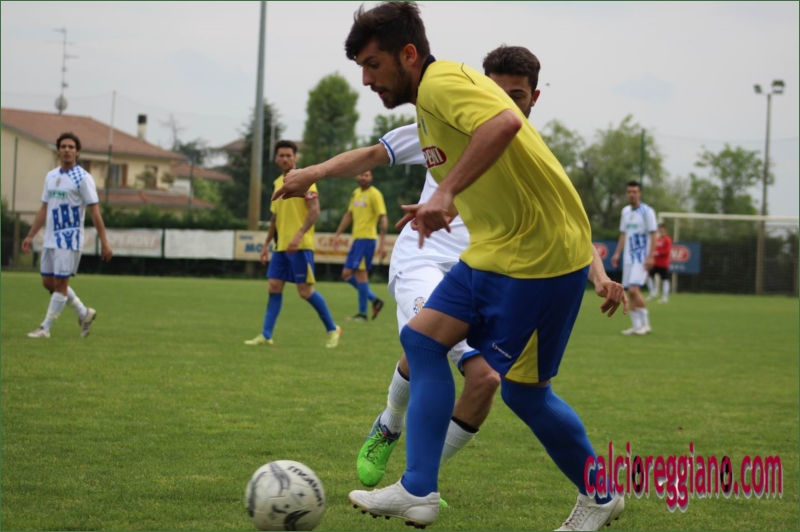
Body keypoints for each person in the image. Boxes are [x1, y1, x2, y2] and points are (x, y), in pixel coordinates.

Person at [276, 5, 627, 529]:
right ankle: (421, 489)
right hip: (504, 250)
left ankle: (596, 495)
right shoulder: (430, 107)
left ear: (408, 54)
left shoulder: (442, 83)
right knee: (428, 344)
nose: (366, 80)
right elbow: (496, 166)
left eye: (372, 65)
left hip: (535, 257)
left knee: (515, 389)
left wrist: (444, 193)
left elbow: (505, 122)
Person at [276, 44, 556, 496]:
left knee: (482, 380)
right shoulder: (442, 124)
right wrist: (313, 171)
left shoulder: (534, 155)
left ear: (534, 99)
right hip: (422, 258)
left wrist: (599, 275)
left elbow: (563, 221)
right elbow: (373, 154)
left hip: (484, 272)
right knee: (439, 347)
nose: (504, 102)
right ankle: (391, 428)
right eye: (496, 91)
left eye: (516, 95)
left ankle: (418, 479)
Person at [244, 140, 342, 349]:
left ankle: (333, 328)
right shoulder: (277, 183)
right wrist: (266, 245)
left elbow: (315, 210)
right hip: (280, 247)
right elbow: (274, 218)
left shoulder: (306, 179)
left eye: (288, 155)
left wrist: (298, 236)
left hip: (300, 245)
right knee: (274, 286)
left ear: (295, 157)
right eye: (281, 155)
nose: (285, 159)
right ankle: (266, 334)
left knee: (305, 291)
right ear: (276, 158)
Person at [22, 132, 113, 339]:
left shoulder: (83, 178)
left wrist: (105, 242)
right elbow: (44, 208)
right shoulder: (51, 176)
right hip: (50, 237)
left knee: (61, 285)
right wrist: (30, 235)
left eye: (71, 147)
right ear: (58, 151)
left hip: (69, 238)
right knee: (48, 283)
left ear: (77, 152)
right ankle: (83, 312)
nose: (67, 150)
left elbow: (95, 212)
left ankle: (45, 328)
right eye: (63, 146)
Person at [333, 170, 388, 321]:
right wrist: (337, 234)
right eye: (361, 174)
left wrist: (383, 244)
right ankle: (374, 300)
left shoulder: (375, 194)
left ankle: (362, 314)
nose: (363, 177)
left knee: (361, 275)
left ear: (371, 177)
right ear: (357, 176)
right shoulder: (355, 193)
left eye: (367, 175)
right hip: (357, 240)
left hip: (367, 240)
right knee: (346, 274)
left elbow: (383, 218)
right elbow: (349, 214)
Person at [611, 181, 658, 335]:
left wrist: (650, 257)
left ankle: (646, 325)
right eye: (629, 192)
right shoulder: (625, 212)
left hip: (641, 257)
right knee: (629, 292)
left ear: (640, 193)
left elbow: (653, 234)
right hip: (628, 258)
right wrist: (617, 253)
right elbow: (623, 234)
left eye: (635, 192)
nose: (632, 194)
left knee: (633, 289)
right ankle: (637, 326)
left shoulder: (647, 212)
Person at [650, 223, 673, 303]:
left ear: (665, 230)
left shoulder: (667, 239)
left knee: (665, 279)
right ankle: (652, 293)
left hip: (663, 263)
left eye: (663, 230)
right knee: (649, 276)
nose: (661, 231)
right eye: (660, 230)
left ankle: (665, 297)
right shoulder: (657, 239)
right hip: (655, 263)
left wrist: (658, 253)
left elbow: (667, 250)